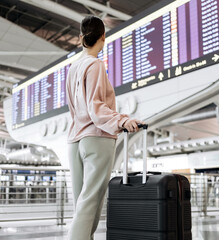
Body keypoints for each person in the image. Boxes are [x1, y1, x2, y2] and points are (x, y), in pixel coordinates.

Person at [66, 15, 143, 240]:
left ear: (81, 38)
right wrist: (121, 121)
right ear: (103, 37)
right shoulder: (95, 64)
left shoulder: (73, 67)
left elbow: (77, 107)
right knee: (90, 203)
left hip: (75, 140)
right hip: (96, 139)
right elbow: (96, 108)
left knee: (82, 205)